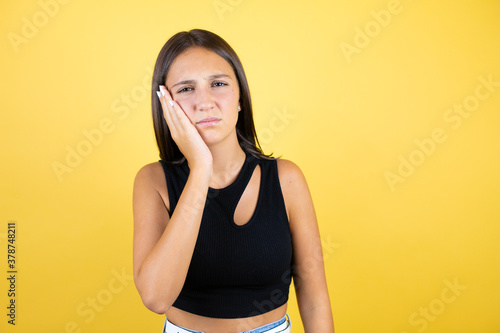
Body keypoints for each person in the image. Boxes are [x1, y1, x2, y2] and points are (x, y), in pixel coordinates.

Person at [133, 29, 334, 333]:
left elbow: (314, 295)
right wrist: (201, 168)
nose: (205, 102)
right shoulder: (153, 181)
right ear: (166, 104)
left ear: (240, 98)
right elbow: (156, 297)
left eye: (218, 84)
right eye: (186, 89)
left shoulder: (286, 178)